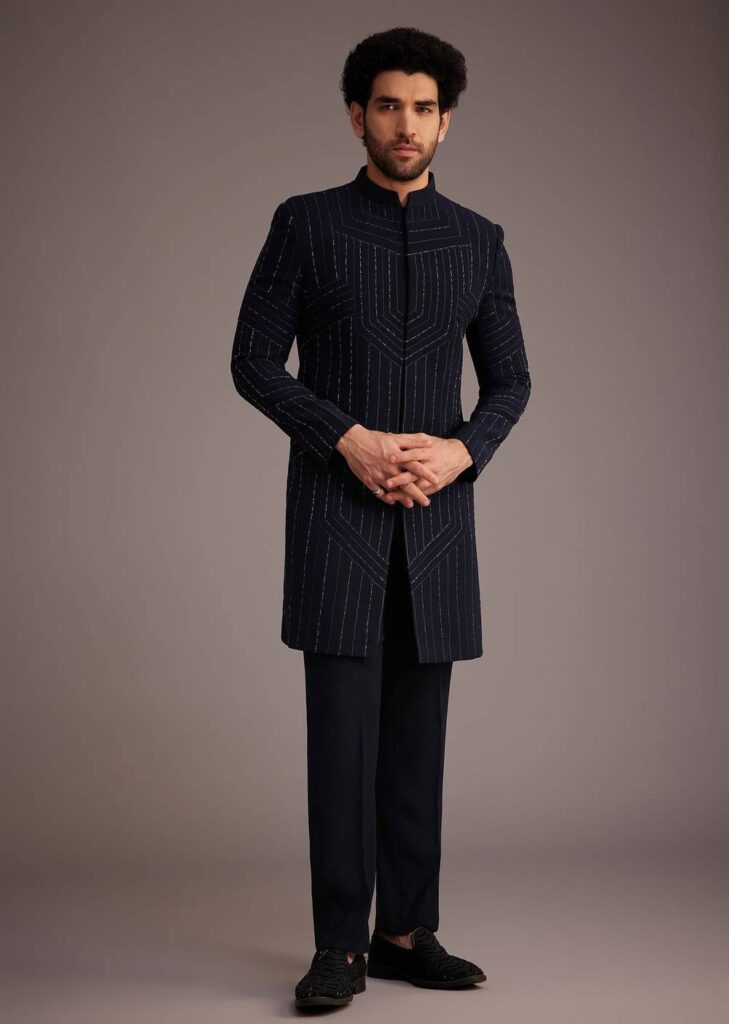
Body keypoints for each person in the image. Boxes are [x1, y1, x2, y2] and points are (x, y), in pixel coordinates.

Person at [230, 25, 531, 1009]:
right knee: (341, 744)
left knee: (416, 742)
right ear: (357, 115)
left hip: (436, 523)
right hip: (336, 516)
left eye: (425, 109)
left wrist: (460, 451)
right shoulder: (306, 224)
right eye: (390, 106)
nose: (408, 125)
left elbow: (510, 382)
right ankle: (338, 946)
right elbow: (251, 361)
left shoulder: (478, 240)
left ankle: (403, 932)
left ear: (447, 123)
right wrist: (345, 438)